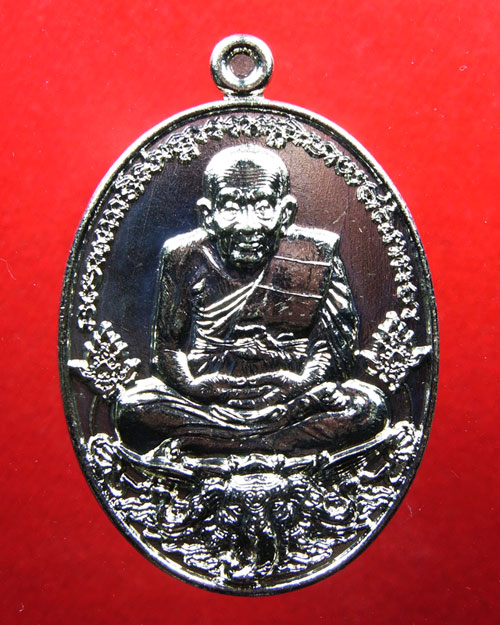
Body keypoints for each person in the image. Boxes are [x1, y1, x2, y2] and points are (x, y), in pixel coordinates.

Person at [114, 145, 388, 455]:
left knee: (365, 407)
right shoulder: (183, 257)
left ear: (285, 213)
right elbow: (167, 350)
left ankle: (214, 443)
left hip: (293, 399)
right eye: (231, 207)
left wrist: (298, 385)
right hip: (208, 399)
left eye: (263, 207)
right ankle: (274, 444)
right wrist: (194, 387)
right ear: (208, 215)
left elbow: (334, 355)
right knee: (133, 408)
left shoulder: (316, 255)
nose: (248, 225)